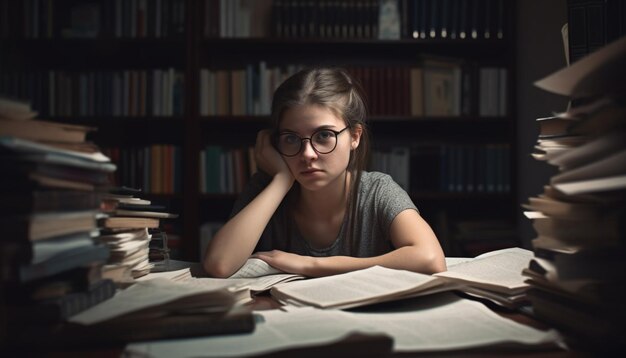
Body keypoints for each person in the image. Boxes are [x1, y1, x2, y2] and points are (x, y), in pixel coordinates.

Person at [203, 67, 446, 278]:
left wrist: (313, 265)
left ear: (354, 136)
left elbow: (430, 259)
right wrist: (282, 180)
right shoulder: (265, 190)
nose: (307, 153)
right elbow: (219, 264)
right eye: (291, 138)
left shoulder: (376, 192)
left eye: (324, 135)